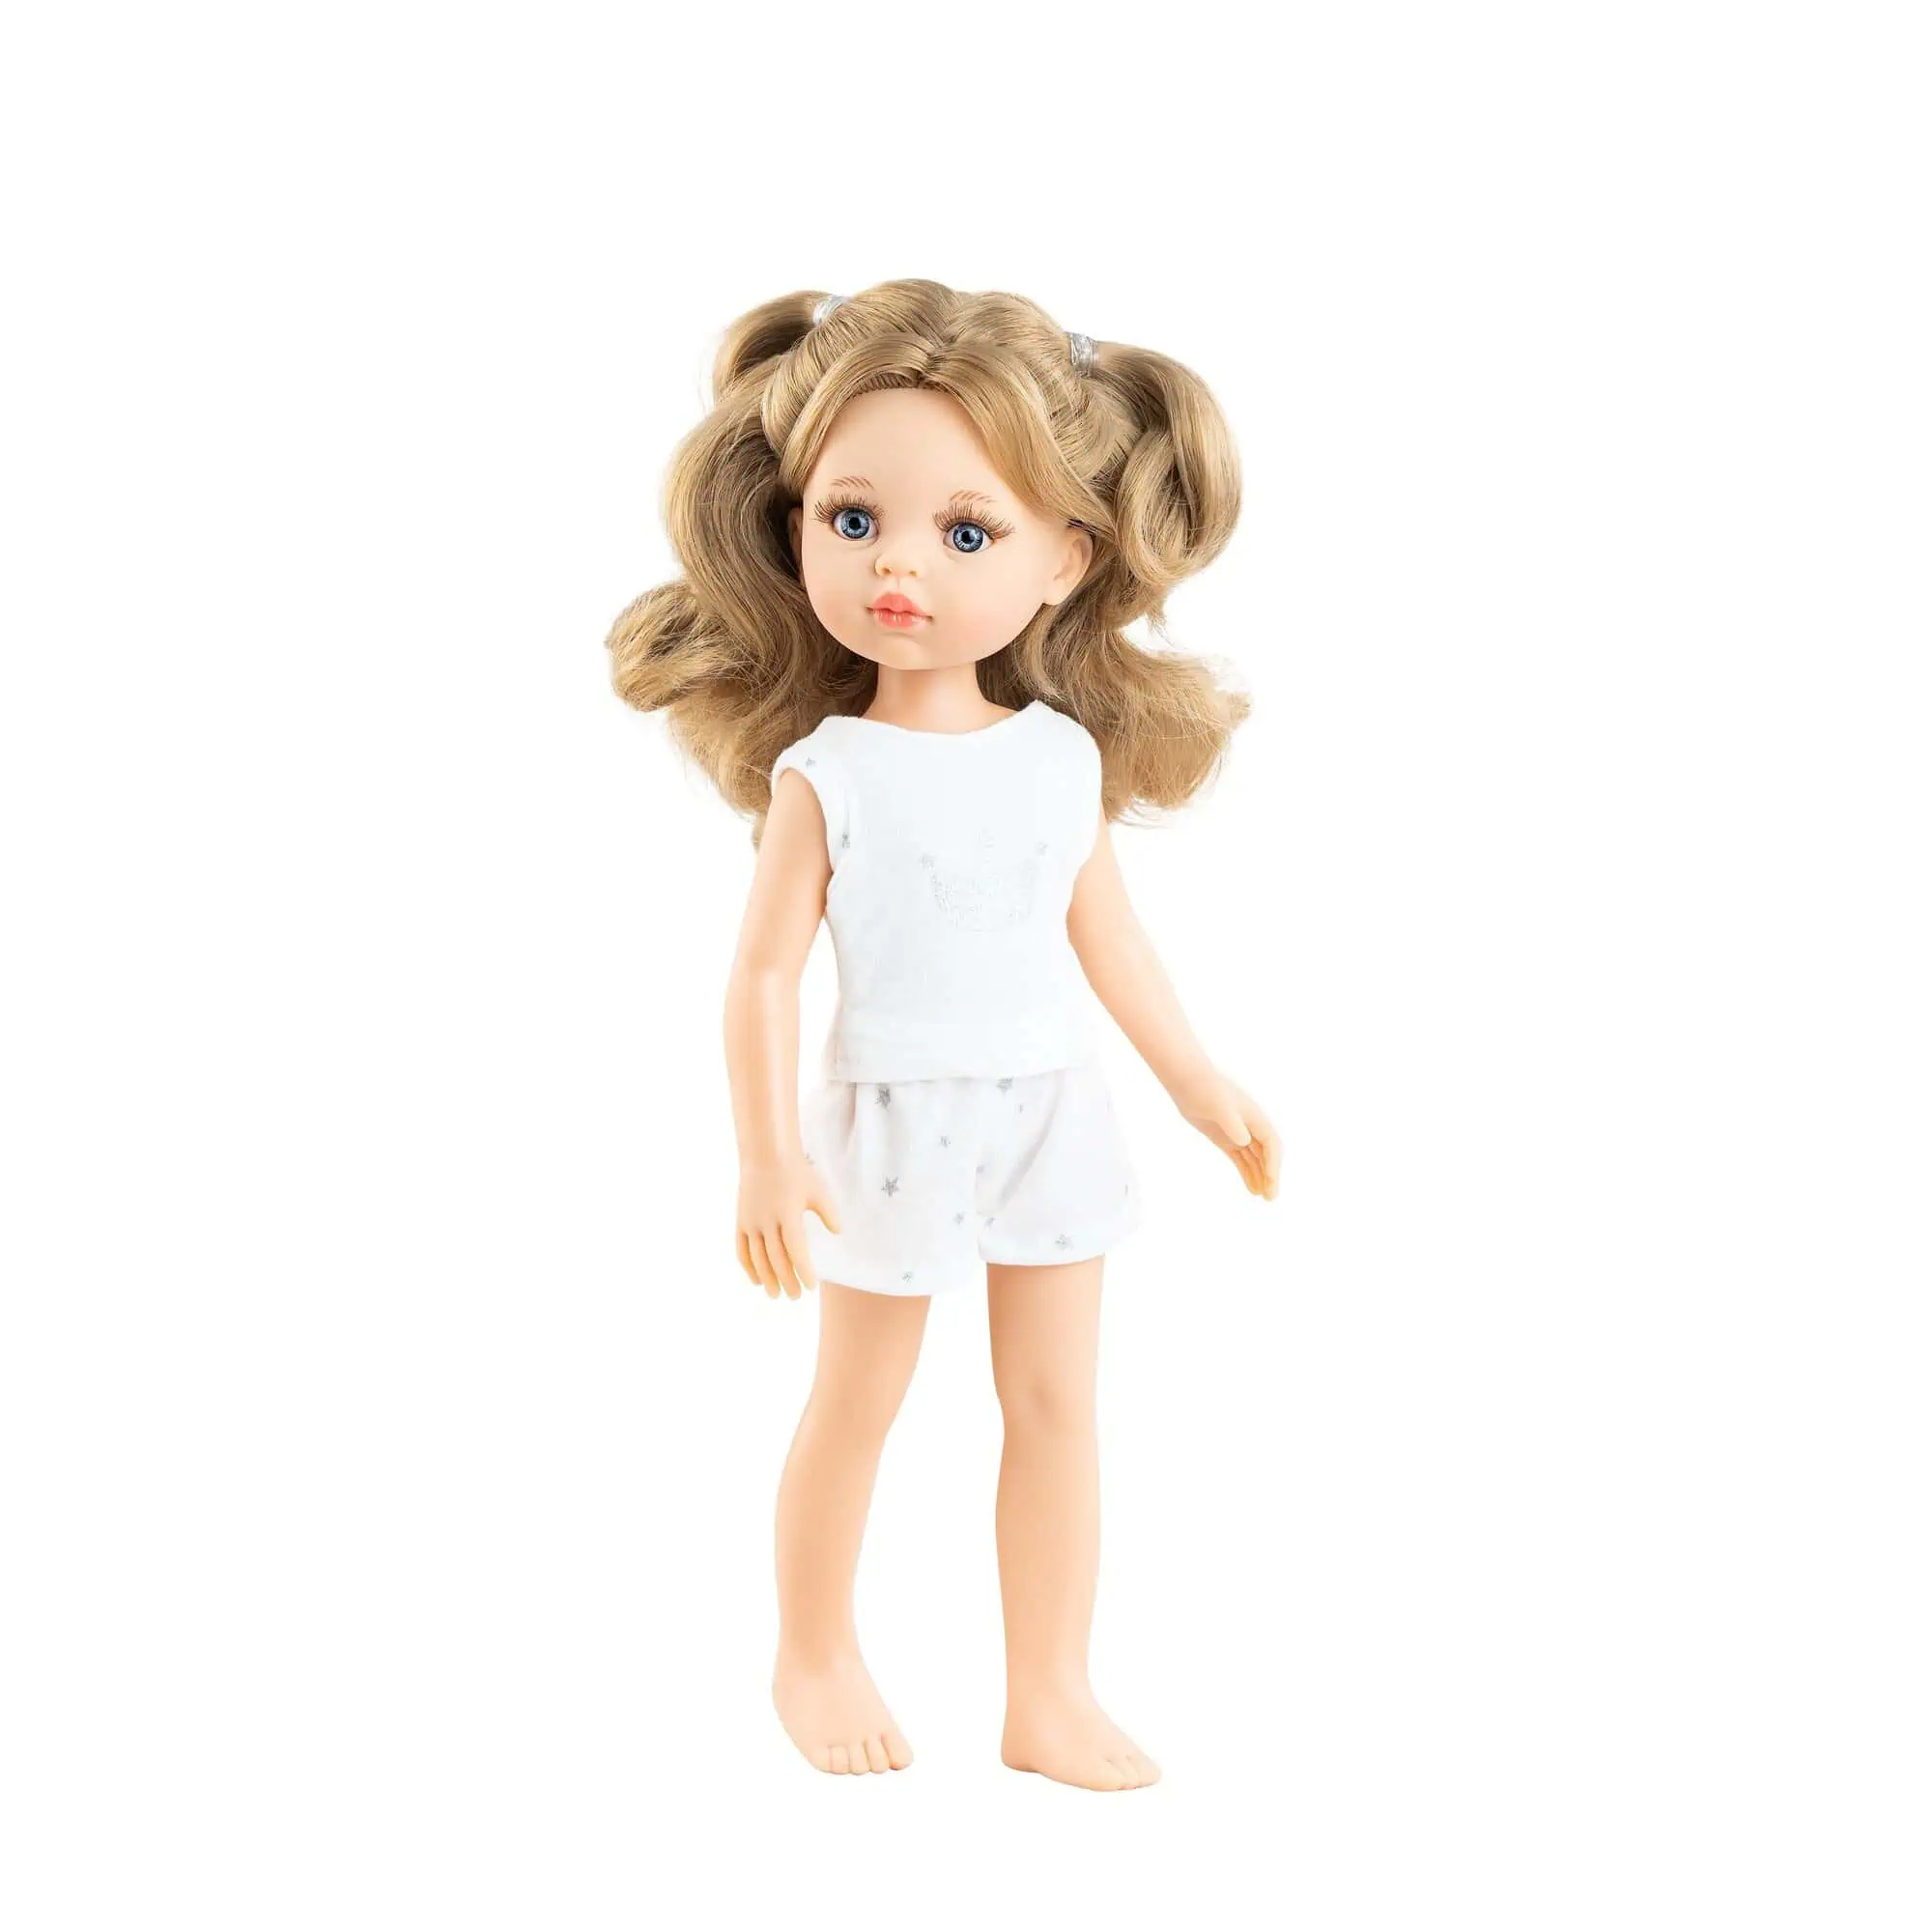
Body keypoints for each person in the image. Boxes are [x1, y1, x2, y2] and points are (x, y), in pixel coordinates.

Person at [606, 279, 1280, 1791]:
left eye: (967, 533)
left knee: (1055, 1406)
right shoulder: (827, 773)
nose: (898, 563)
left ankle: (1049, 1690)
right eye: (853, 519)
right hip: (889, 1120)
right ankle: (813, 1650)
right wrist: (765, 1155)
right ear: (794, 527)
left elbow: (1109, 938)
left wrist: (1197, 1079)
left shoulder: (1059, 759)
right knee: (860, 1397)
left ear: (1065, 560)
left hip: (1051, 1107)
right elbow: (762, 977)